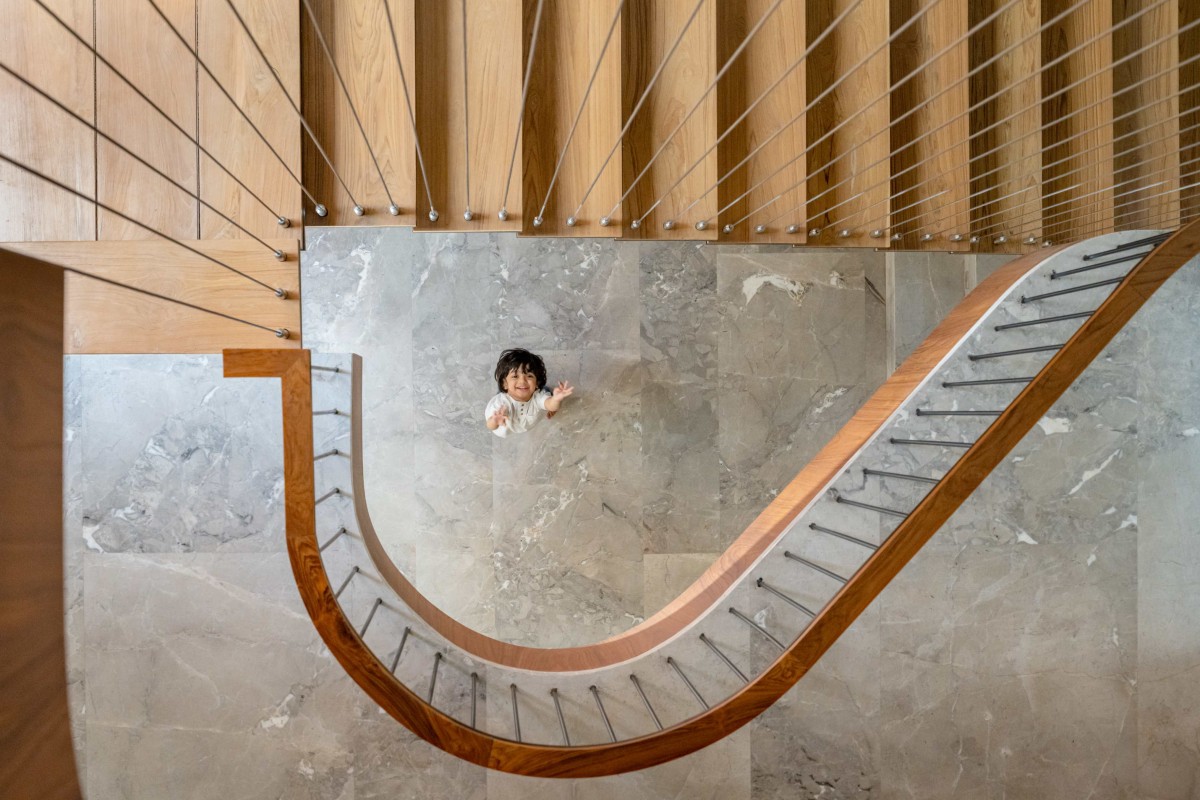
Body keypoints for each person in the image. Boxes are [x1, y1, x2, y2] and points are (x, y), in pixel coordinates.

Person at [484, 348, 573, 437]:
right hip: (505, 415)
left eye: (529, 376)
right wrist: (495, 420)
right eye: (515, 376)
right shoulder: (501, 406)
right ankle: (504, 389)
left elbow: (549, 404)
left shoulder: (537, 396)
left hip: (528, 393)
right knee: (507, 391)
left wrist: (556, 399)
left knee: (548, 396)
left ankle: (545, 390)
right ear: (504, 384)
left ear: (537, 382)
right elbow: (490, 426)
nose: (523, 381)